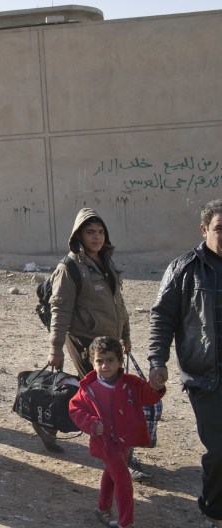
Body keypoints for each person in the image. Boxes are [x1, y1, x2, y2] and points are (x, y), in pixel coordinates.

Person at [149, 198, 222, 527]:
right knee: (220, 451)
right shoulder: (184, 268)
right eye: (220, 228)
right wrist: (157, 360)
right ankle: (214, 511)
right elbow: (162, 317)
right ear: (204, 229)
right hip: (207, 377)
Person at [40, 208, 132, 454]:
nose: (97, 237)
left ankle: (48, 420)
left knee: (93, 393)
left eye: (101, 232)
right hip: (84, 341)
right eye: (90, 232)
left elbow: (118, 304)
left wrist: (126, 336)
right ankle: (120, 455)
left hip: (110, 341)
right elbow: (60, 309)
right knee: (105, 397)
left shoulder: (106, 263)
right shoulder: (69, 267)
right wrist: (55, 348)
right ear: (78, 235)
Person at [69, 336, 165, 528]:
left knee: (111, 474)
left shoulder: (130, 383)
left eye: (110, 360)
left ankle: (102, 508)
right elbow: (75, 409)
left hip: (124, 441)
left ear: (120, 361)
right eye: (99, 361)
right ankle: (125, 523)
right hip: (105, 442)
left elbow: (147, 397)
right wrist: (92, 424)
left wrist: (156, 386)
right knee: (123, 480)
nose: (105, 365)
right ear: (92, 362)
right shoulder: (90, 388)